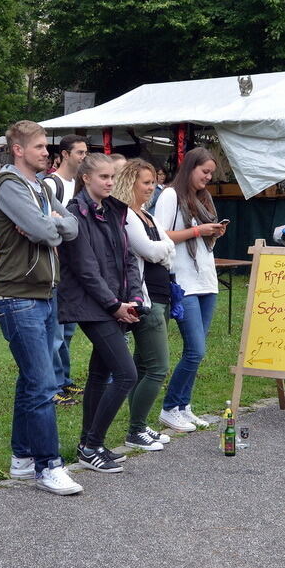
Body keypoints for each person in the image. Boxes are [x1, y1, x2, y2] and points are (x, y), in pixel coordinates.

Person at [0, 120, 82, 495]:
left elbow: (71, 227)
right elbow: (47, 233)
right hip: (19, 297)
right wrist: (50, 225)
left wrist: (50, 223)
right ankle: (49, 465)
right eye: (41, 146)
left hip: (44, 293)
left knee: (32, 380)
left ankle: (23, 457)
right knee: (44, 384)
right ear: (18, 149)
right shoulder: (9, 186)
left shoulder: (41, 187)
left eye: (47, 146)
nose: (47, 152)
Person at [59, 153, 143, 472]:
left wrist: (132, 297)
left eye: (112, 177)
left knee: (99, 373)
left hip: (115, 303)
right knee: (126, 373)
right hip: (93, 306)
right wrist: (114, 306)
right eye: (103, 177)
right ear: (86, 179)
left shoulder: (111, 210)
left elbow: (128, 259)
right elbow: (85, 269)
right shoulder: (75, 213)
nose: (109, 182)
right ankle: (92, 444)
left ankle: (87, 444)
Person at [154, 147, 227, 431]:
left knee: (198, 350)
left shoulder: (203, 197)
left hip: (206, 278)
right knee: (195, 349)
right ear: (190, 168)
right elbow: (161, 236)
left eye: (211, 173)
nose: (208, 177)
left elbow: (201, 239)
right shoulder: (171, 195)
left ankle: (184, 405)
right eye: (204, 171)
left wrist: (214, 232)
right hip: (183, 282)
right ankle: (170, 407)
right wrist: (200, 231)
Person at [113, 159, 175, 451]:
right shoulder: (126, 215)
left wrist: (162, 251)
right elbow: (150, 250)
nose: (151, 188)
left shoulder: (146, 214)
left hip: (162, 296)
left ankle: (139, 426)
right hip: (145, 300)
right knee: (158, 367)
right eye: (146, 183)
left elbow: (167, 246)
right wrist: (162, 251)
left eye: (153, 182)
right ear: (130, 183)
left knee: (143, 366)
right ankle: (135, 430)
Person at [42, 135, 89, 406]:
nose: (84, 156)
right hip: (58, 267)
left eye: (85, 152)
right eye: (79, 152)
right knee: (56, 332)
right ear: (65, 154)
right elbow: (49, 225)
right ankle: (53, 384)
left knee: (68, 330)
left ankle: (64, 379)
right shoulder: (52, 184)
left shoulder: (79, 184)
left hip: (75, 268)